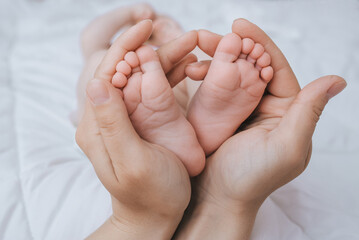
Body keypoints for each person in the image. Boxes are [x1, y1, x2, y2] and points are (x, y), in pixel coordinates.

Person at [76, 11, 346, 240]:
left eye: (167, 26)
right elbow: (93, 38)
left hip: (143, 97)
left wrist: (132, 19)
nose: (159, 28)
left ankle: (179, 131)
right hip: (161, 93)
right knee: (191, 78)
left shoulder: (143, 58)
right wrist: (133, 12)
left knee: (113, 73)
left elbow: (91, 37)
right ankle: (195, 129)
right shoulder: (150, 53)